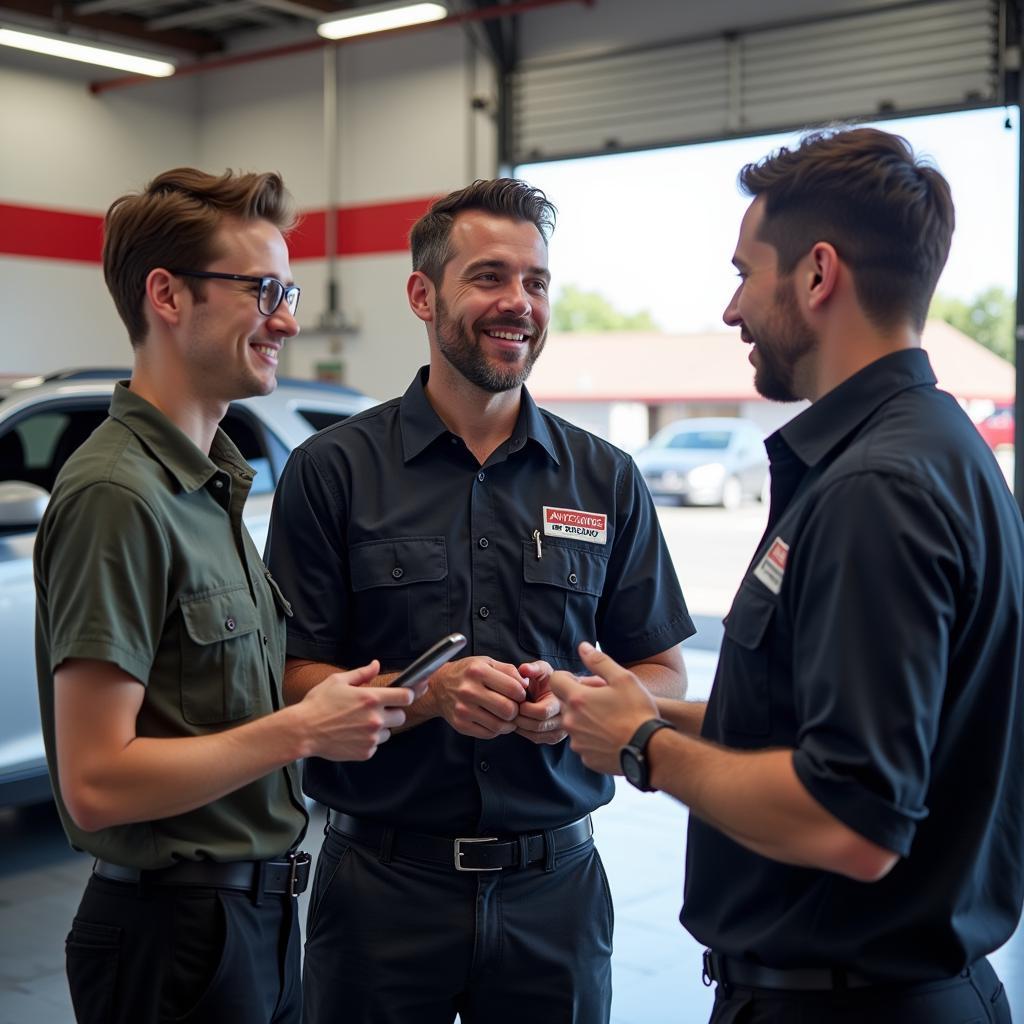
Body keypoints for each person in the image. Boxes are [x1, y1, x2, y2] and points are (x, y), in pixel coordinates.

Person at [550, 127, 1024, 1024]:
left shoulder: (876, 490)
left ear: (816, 275)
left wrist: (646, 752)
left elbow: (850, 820)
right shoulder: (936, 448)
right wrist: (635, 711)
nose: (731, 310)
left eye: (743, 272)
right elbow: (823, 727)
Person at [264, 177, 694, 1024]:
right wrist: (425, 700)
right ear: (423, 294)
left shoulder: (605, 477)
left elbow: (664, 671)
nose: (519, 304)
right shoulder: (334, 472)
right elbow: (288, 679)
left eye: (536, 282)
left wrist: (580, 710)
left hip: (557, 895)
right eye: (489, 277)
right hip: (381, 892)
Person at [34, 167, 418, 1024]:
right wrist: (299, 733)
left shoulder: (207, 489)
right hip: (174, 937)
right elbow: (97, 780)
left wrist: (343, 701)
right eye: (265, 290)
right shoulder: (118, 496)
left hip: (251, 920)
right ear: (166, 296)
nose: (287, 317)